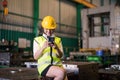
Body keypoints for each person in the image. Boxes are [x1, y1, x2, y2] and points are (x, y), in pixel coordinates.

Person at [33, 16, 68, 80]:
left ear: (54, 28)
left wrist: (57, 48)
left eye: (51, 29)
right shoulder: (37, 40)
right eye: (46, 28)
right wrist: (43, 47)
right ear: (43, 28)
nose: (49, 31)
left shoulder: (58, 40)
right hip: (44, 66)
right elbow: (35, 57)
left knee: (64, 74)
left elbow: (60, 56)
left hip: (58, 66)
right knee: (61, 73)